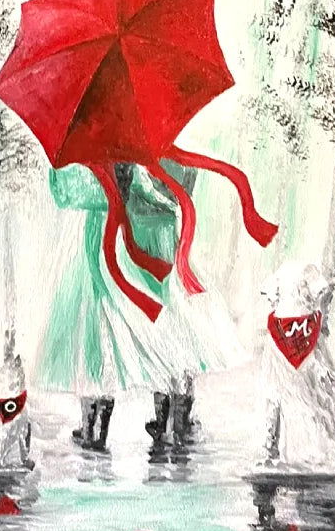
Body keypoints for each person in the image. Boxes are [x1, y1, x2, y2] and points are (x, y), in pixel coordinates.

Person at [36, 161, 244, 450]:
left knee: (101, 334)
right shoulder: (160, 150)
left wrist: (119, 180)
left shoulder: (99, 152)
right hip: (150, 242)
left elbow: (69, 192)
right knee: (165, 331)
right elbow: (180, 185)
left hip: (118, 245)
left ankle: (101, 427)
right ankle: (172, 423)